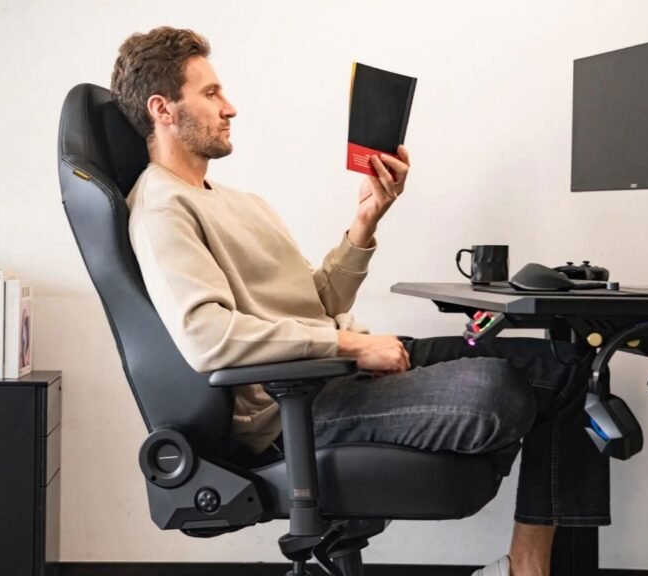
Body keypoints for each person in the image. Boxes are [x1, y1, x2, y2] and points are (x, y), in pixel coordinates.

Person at [112, 26, 609, 576]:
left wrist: (365, 221)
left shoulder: (241, 202)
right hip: (294, 402)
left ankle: (527, 568)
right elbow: (209, 338)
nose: (230, 107)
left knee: (564, 366)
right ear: (162, 109)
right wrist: (349, 345)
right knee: (493, 389)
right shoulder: (161, 209)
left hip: (337, 369)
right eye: (210, 93)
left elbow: (316, 299)